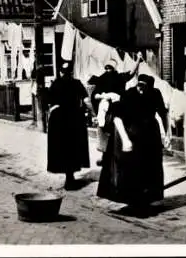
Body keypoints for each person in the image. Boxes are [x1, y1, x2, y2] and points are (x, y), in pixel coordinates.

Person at [97, 74, 168, 217]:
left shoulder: (155, 94)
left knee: (151, 168)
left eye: (144, 87)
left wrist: (167, 135)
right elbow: (117, 117)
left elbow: (163, 113)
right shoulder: (129, 95)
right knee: (133, 169)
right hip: (132, 133)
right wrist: (125, 139)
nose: (141, 89)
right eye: (139, 85)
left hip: (150, 135)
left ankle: (145, 201)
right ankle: (134, 203)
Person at [88, 57, 141, 164]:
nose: (108, 70)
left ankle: (121, 155)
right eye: (106, 68)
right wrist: (105, 96)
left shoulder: (120, 77)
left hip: (118, 108)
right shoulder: (102, 79)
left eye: (110, 68)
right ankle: (105, 156)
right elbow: (95, 95)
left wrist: (138, 60)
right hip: (106, 110)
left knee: (120, 131)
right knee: (104, 132)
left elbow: (131, 72)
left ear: (114, 68)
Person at [47, 62, 91, 190]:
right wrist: (93, 113)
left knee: (62, 147)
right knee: (73, 147)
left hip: (59, 119)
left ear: (61, 72)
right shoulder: (76, 83)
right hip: (74, 118)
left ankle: (69, 177)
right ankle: (70, 177)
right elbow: (86, 100)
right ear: (71, 72)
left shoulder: (56, 83)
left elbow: (49, 100)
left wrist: (53, 107)